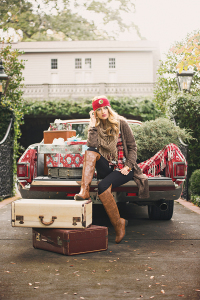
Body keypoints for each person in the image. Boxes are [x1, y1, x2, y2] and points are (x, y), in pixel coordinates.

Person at [75, 95, 148, 244]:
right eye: (98, 109)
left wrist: (128, 166)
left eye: (104, 108)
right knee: (90, 151)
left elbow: (133, 147)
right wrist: (93, 125)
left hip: (124, 168)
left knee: (102, 186)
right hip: (108, 166)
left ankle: (118, 224)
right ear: (94, 113)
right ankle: (85, 190)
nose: (103, 112)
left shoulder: (121, 123)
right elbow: (92, 145)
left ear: (109, 108)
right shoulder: (96, 126)